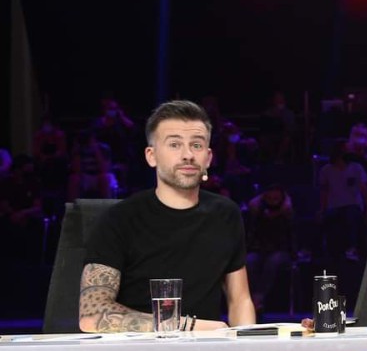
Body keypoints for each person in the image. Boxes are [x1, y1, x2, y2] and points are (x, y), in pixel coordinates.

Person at [78, 100, 255, 332]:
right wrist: (188, 326)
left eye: (197, 145)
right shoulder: (119, 219)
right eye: (174, 144)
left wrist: (247, 346)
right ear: (151, 156)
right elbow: (92, 316)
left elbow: (239, 300)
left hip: (206, 350)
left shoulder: (226, 214)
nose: (188, 155)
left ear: (208, 158)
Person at [318, 139, 367, 260]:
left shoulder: (357, 168)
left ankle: (352, 249)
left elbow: (365, 191)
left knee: (350, 215)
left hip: (353, 206)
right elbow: (324, 193)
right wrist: (322, 210)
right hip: (333, 206)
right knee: (329, 219)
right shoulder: (326, 170)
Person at [246, 184, 296, 314]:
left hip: (281, 251)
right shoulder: (257, 210)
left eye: (276, 196)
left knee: (273, 262)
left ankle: (258, 298)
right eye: (270, 195)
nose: (273, 198)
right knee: (250, 261)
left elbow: (290, 237)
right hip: (259, 250)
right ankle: (253, 298)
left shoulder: (288, 211)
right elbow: (252, 234)